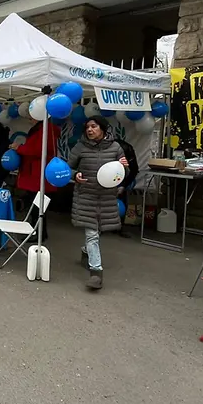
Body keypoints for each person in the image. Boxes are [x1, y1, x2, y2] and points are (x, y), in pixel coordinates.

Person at [68, 116, 129, 291]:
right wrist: (75, 175)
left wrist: (125, 166)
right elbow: (68, 167)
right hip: (86, 195)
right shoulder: (80, 147)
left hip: (107, 197)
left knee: (98, 230)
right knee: (92, 234)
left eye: (93, 126)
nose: (90, 130)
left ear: (102, 128)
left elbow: (123, 172)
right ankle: (96, 274)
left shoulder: (116, 147)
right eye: (87, 127)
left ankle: (86, 251)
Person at [9, 117, 61, 242]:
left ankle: (39, 233)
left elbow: (38, 150)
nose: (29, 117)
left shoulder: (45, 130)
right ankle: (38, 231)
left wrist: (19, 148)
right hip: (36, 172)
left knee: (37, 206)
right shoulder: (42, 129)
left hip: (38, 173)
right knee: (36, 205)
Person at [113, 136, 139, 238]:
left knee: (122, 201)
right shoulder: (106, 151)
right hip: (106, 178)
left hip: (123, 178)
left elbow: (134, 170)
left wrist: (123, 186)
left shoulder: (128, 149)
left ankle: (120, 228)